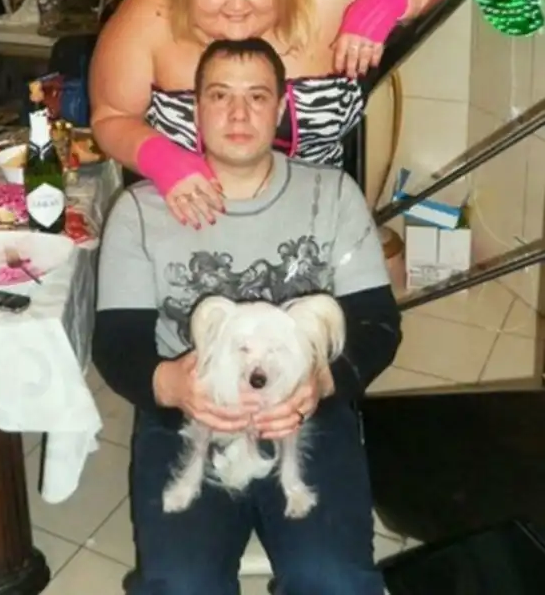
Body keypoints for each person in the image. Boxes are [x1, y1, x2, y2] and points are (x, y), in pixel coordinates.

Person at [93, 37, 402, 595]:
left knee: (334, 580)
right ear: (196, 108)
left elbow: (378, 324)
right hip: (186, 416)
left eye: (257, 97)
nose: (238, 114)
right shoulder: (139, 211)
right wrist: (172, 384)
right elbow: (116, 344)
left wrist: (321, 382)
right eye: (220, 96)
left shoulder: (333, 194)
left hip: (309, 413)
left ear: (281, 108)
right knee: (182, 585)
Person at [89, 0, 449, 227]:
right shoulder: (151, 9)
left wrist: (387, 0)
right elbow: (111, 116)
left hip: (318, 224)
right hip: (188, 225)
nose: (236, 5)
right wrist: (160, 159)